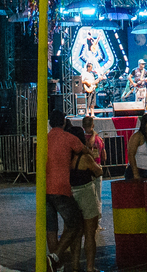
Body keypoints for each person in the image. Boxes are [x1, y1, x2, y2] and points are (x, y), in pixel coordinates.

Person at [45, 110, 86, 271]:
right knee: (76, 223)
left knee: (51, 229)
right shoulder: (68, 138)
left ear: (50, 123)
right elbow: (83, 149)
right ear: (63, 122)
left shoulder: (44, 140)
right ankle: (55, 257)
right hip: (61, 188)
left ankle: (57, 266)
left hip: (45, 189)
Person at [66, 122, 103, 272]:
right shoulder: (85, 157)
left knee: (76, 233)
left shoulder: (66, 158)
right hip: (86, 192)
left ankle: (75, 265)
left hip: (71, 193)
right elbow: (99, 171)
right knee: (89, 233)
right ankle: (90, 267)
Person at [126, 113, 147, 180]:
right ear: (145, 124)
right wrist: (135, 174)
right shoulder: (137, 136)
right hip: (139, 171)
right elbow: (131, 154)